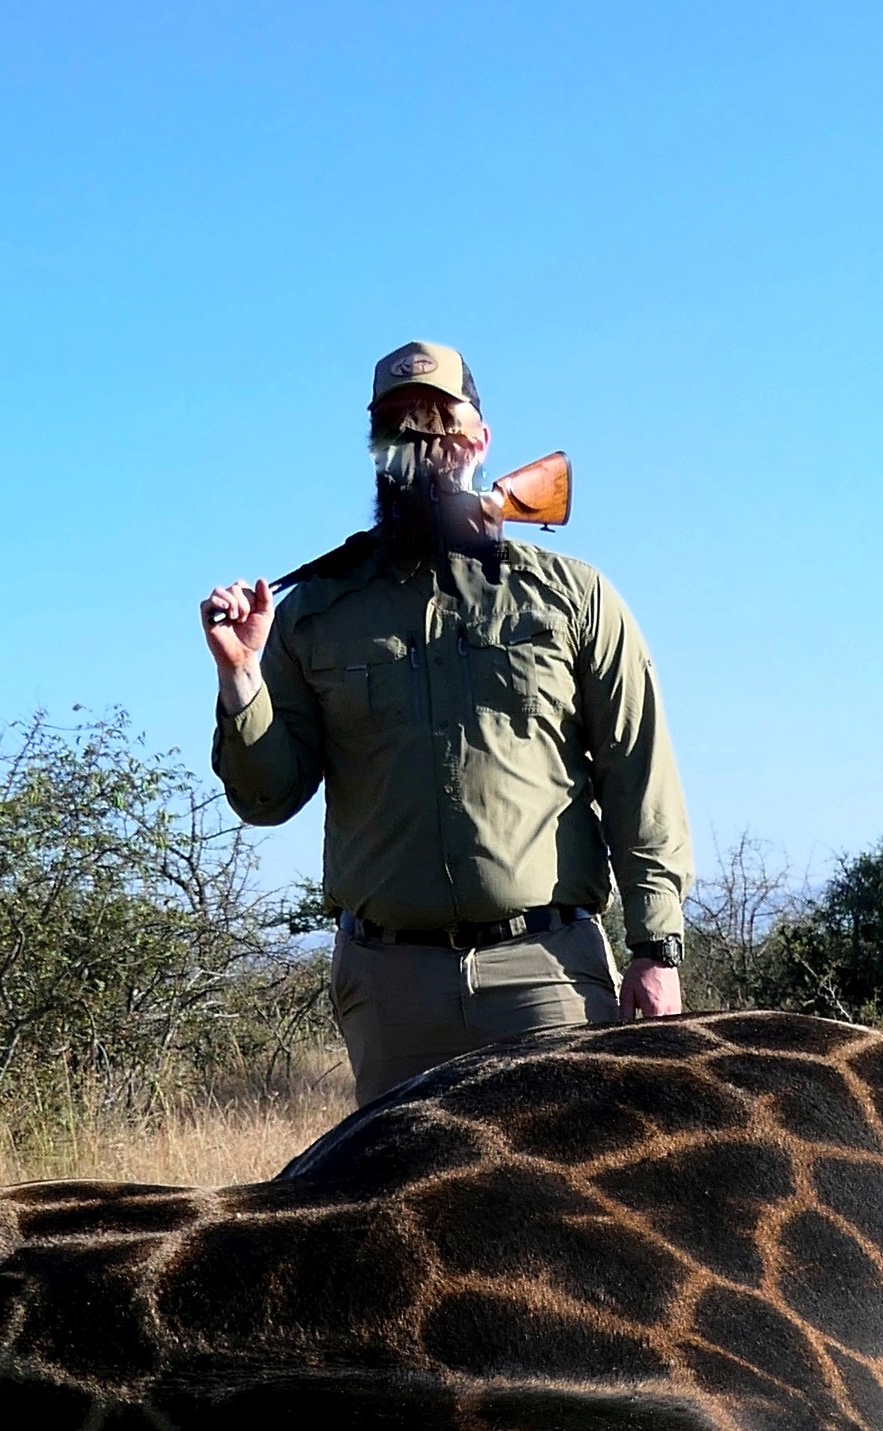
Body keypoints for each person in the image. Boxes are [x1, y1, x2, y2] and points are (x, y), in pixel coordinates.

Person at [199, 341, 692, 1105]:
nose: (420, 445)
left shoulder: (573, 595)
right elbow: (265, 798)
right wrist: (241, 678)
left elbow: (640, 777)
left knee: (566, 1214)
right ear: (375, 450)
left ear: (480, 440)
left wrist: (656, 950)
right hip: (392, 988)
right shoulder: (313, 612)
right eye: (398, 427)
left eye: (439, 423)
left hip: (546, 972)